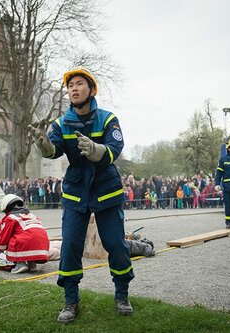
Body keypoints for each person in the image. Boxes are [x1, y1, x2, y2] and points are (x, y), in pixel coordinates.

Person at [29, 66, 134, 323]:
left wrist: (97, 150)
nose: (73, 89)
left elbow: (114, 150)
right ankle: (70, 301)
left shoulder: (109, 119)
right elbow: (53, 150)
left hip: (106, 190)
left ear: (91, 89)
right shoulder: (62, 123)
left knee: (116, 245)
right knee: (70, 247)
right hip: (76, 192)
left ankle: (122, 295)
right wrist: (43, 143)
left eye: (78, 84)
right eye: (70, 85)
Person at [0, 194, 50, 274]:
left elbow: (3, 242)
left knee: (12, 238)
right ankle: (32, 264)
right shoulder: (32, 216)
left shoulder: (10, 218)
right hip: (43, 248)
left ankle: (20, 264)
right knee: (25, 235)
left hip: (26, 245)